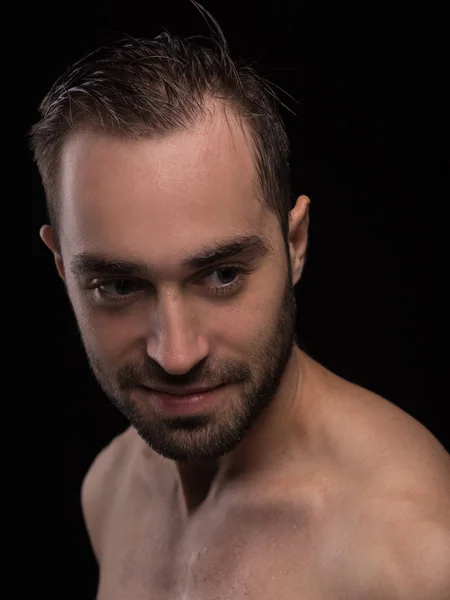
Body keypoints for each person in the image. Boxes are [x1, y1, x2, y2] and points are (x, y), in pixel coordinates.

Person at [30, 8, 450, 600]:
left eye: (222, 275)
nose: (176, 355)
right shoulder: (110, 488)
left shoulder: (413, 553)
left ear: (295, 243)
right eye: (119, 286)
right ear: (60, 268)